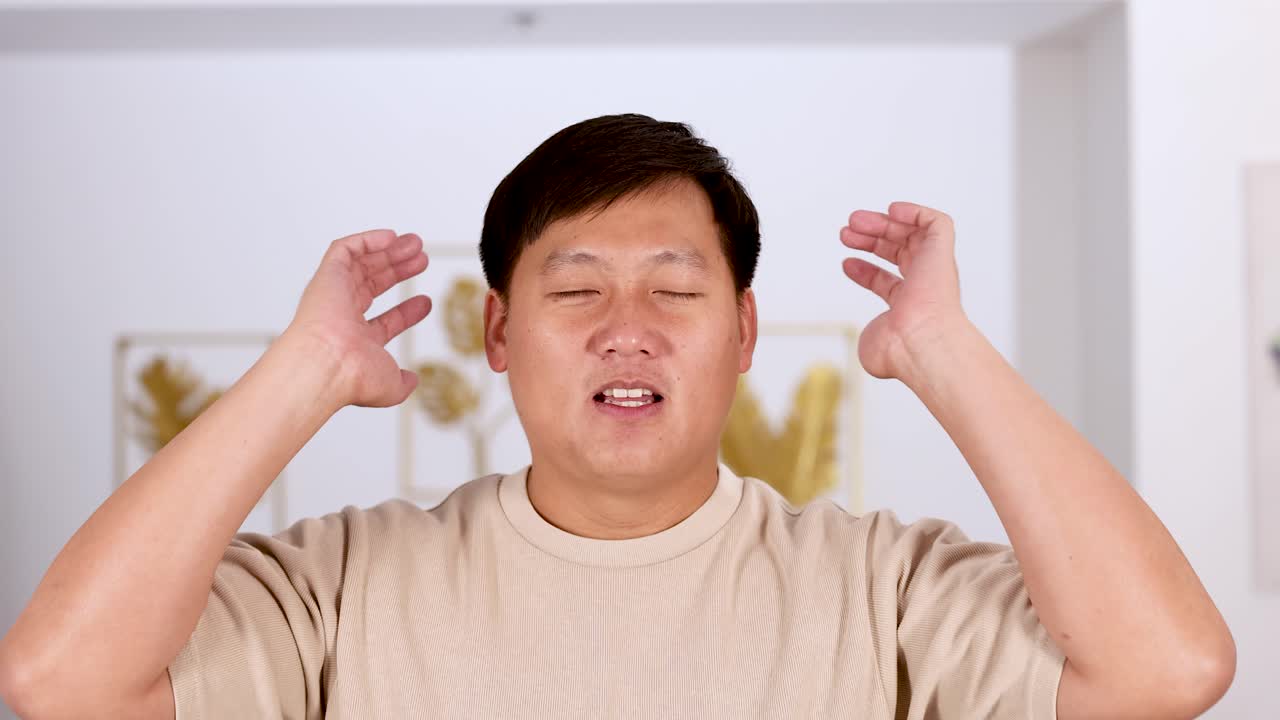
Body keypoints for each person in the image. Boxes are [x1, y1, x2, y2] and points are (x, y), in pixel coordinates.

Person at [0, 114, 1234, 719]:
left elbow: (1167, 668)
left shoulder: (880, 585)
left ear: (742, 334)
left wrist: (943, 351)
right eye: (575, 288)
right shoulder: (341, 583)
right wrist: (304, 370)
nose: (624, 326)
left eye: (676, 290)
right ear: (495, 334)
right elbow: (58, 681)